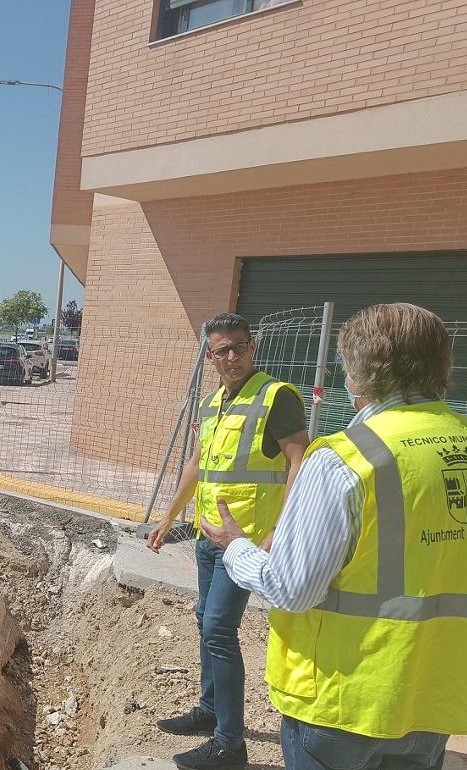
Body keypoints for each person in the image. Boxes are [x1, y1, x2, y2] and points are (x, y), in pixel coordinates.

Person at [200, 303, 467, 770]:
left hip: (343, 701)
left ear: (355, 377)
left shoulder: (345, 459)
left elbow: (291, 589)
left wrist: (238, 547)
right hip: (435, 693)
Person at [147, 312, 309, 770]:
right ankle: (210, 708)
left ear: (252, 347)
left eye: (239, 346)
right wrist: (168, 518)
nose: (232, 356)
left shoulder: (276, 398)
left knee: (218, 627)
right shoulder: (213, 402)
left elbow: (299, 460)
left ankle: (229, 744)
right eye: (222, 350)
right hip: (208, 535)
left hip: (246, 542)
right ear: (211, 357)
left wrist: (283, 528)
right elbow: (197, 466)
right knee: (204, 618)